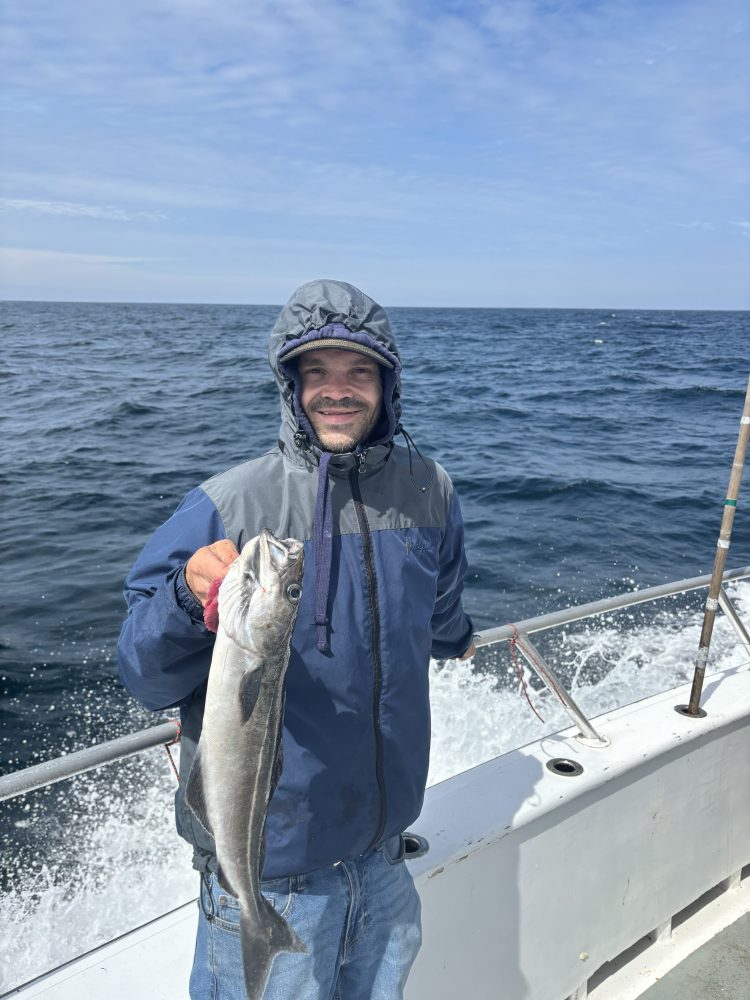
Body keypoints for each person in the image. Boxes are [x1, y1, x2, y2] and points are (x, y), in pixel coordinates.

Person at [117, 278, 475, 1000]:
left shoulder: (430, 490)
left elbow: (440, 606)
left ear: (387, 384)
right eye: (317, 372)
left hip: (384, 857)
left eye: (357, 372)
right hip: (270, 872)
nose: (337, 391)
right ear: (290, 384)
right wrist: (189, 597)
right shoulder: (229, 503)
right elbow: (143, 674)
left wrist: (458, 636)